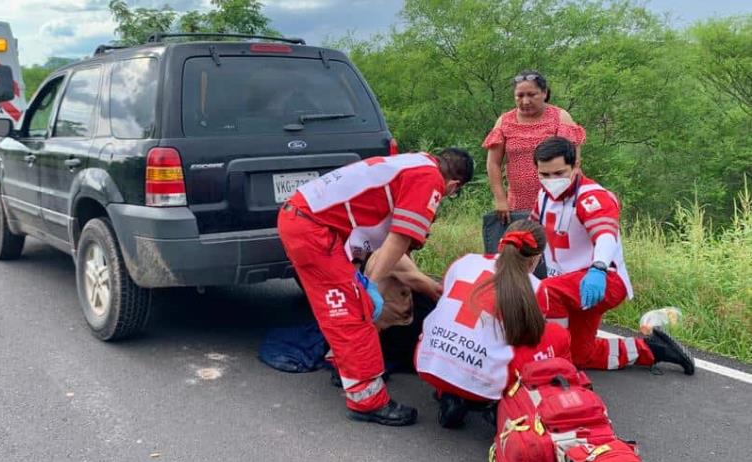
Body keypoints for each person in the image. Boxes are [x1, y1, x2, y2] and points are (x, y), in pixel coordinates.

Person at [278, 149, 475, 426]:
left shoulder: (412, 162)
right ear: (453, 185)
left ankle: (344, 368)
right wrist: (369, 287)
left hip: (307, 221)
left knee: (341, 307)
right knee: (353, 312)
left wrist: (361, 276)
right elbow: (398, 241)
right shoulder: (429, 178)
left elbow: (368, 228)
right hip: (314, 229)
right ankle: (366, 400)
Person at [529, 137, 695, 374]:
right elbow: (531, 235)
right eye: (544, 175)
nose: (551, 181)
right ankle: (652, 350)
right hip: (571, 288)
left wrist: (598, 268)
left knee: (545, 292)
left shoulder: (592, 197)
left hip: (602, 280)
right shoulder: (543, 198)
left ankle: (554, 362)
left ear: (576, 165)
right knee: (580, 355)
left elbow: (605, 234)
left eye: (559, 173)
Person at [414, 220, 572, 429]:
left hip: (428, 363)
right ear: (536, 258)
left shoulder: (465, 262)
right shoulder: (535, 288)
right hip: (483, 382)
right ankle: (501, 401)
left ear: (501, 243)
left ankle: (450, 394)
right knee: (556, 335)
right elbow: (527, 338)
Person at [483, 70, 586, 224]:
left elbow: (573, 162)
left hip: (557, 199)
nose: (525, 101)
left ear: (544, 93)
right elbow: (493, 163)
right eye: (520, 96)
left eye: (531, 95)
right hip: (517, 203)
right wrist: (500, 199)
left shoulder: (560, 117)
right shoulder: (504, 121)